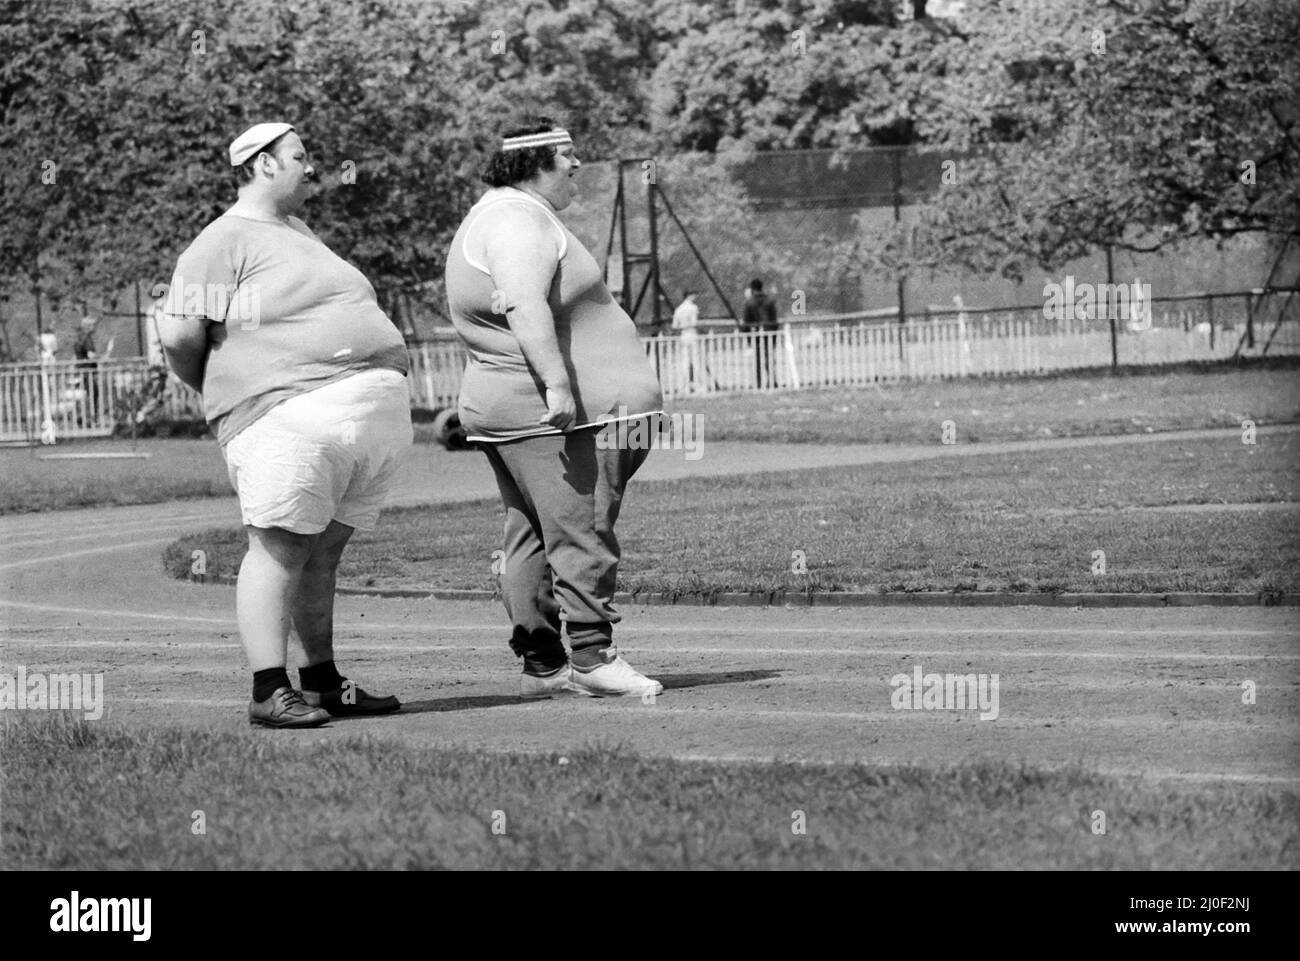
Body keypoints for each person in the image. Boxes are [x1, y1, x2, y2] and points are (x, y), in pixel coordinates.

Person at [158, 121, 412, 728]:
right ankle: (269, 689)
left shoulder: (297, 232)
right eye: (300, 157)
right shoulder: (222, 239)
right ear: (264, 165)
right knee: (279, 547)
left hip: (353, 417)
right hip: (282, 415)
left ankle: (322, 683)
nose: (312, 168)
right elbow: (178, 333)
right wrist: (241, 387)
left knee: (321, 553)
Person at [444, 117, 665, 699]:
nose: (577, 164)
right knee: (580, 527)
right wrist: (558, 387)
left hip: (521, 411)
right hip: (558, 414)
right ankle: (592, 657)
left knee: (533, 534)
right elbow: (522, 301)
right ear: (532, 160)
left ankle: (543, 660)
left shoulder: (500, 213)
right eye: (567, 153)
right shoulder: (516, 219)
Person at [741, 279, 779, 388]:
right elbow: (774, 319)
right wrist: (774, 335)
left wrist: (747, 336)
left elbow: (746, 321)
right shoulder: (770, 300)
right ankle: (772, 381)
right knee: (769, 358)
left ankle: (758, 383)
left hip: (756, 334)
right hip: (769, 333)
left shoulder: (749, 302)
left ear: (752, 289)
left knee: (757, 360)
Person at [672, 290, 703, 394]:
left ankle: (684, 387)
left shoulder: (679, 309)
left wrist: (683, 326)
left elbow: (675, 325)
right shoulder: (693, 308)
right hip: (692, 334)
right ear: (689, 296)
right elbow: (694, 323)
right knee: (696, 360)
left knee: (684, 361)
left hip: (683, 335)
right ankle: (698, 386)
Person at [73, 315, 100, 420]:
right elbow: (91, 355)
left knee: (86, 395)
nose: (94, 327)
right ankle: (90, 417)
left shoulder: (78, 337)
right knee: (93, 394)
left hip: (81, 370)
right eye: (92, 325)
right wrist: (103, 356)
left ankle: (83, 416)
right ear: (88, 326)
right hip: (88, 371)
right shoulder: (87, 338)